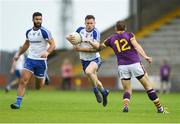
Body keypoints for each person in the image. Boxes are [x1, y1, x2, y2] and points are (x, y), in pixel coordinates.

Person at [88, 20, 168, 113]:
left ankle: (125, 106)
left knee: (127, 89)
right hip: (135, 64)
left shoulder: (110, 39)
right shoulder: (130, 35)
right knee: (148, 86)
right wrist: (145, 56)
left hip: (122, 66)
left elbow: (99, 48)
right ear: (125, 28)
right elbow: (137, 46)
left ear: (115, 28)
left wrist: (90, 42)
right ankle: (160, 109)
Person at [10, 12, 56, 109]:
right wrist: (18, 55)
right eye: (36, 19)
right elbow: (26, 45)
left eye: (40, 19)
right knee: (23, 81)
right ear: (33, 20)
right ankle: (17, 103)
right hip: (30, 60)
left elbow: (53, 44)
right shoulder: (29, 32)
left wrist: (47, 52)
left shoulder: (45, 31)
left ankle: (44, 76)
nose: (38, 21)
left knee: (38, 87)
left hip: (41, 61)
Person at [66, 15, 109, 107]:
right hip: (84, 60)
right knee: (96, 81)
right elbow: (68, 37)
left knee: (89, 72)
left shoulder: (95, 32)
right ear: (85, 23)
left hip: (95, 59)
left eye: (91, 23)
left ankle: (96, 91)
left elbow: (97, 47)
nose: (89, 25)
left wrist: (87, 40)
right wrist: (73, 43)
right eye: (88, 23)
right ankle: (104, 92)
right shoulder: (80, 30)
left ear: (94, 23)